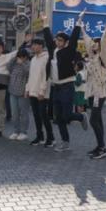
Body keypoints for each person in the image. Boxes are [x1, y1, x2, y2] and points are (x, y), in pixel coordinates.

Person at [41, 13, 88, 152]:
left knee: (66, 116)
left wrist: (79, 22)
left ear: (65, 42)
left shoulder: (68, 51)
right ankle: (65, 142)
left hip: (67, 86)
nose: (57, 42)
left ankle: (80, 116)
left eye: (60, 40)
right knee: (58, 117)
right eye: (57, 40)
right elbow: (47, 37)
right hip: (56, 87)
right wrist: (45, 22)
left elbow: (74, 38)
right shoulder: (52, 50)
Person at [78, 13, 106, 159]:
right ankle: (100, 146)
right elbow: (86, 40)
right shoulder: (92, 56)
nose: (94, 45)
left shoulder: (103, 57)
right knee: (97, 118)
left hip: (99, 91)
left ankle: (102, 147)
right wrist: (80, 25)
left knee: (94, 119)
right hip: (92, 90)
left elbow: (105, 41)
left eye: (96, 43)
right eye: (94, 43)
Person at [0, 33, 24, 137]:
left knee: (0, 109)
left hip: (1, 87)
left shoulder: (7, 57)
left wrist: (25, 42)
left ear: (2, 48)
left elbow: (17, 51)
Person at [26, 36, 54, 146]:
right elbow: (30, 75)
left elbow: (46, 76)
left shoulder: (47, 58)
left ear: (41, 46)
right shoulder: (33, 59)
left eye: (35, 44)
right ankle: (39, 136)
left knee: (44, 116)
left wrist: (42, 91)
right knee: (36, 115)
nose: (33, 47)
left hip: (42, 93)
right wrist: (27, 89)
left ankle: (50, 137)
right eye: (32, 45)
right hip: (32, 91)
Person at [7, 47, 32, 141]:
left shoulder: (29, 64)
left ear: (26, 57)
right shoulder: (15, 63)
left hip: (23, 93)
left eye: (23, 57)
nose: (21, 58)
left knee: (24, 113)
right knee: (15, 113)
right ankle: (16, 131)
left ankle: (24, 132)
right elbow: (8, 67)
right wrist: (14, 57)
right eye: (20, 57)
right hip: (12, 91)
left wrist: (22, 64)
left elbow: (29, 73)